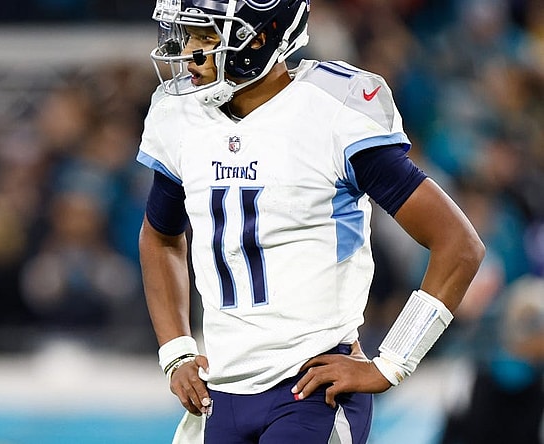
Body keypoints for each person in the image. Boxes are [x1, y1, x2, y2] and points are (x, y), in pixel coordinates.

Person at [135, 1, 485, 443]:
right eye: (187, 33)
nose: (188, 52)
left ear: (257, 38)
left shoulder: (331, 109)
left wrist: (393, 361)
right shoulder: (180, 115)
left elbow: (459, 244)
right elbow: (161, 236)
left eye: (206, 37)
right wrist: (176, 350)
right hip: (220, 392)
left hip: (309, 390)